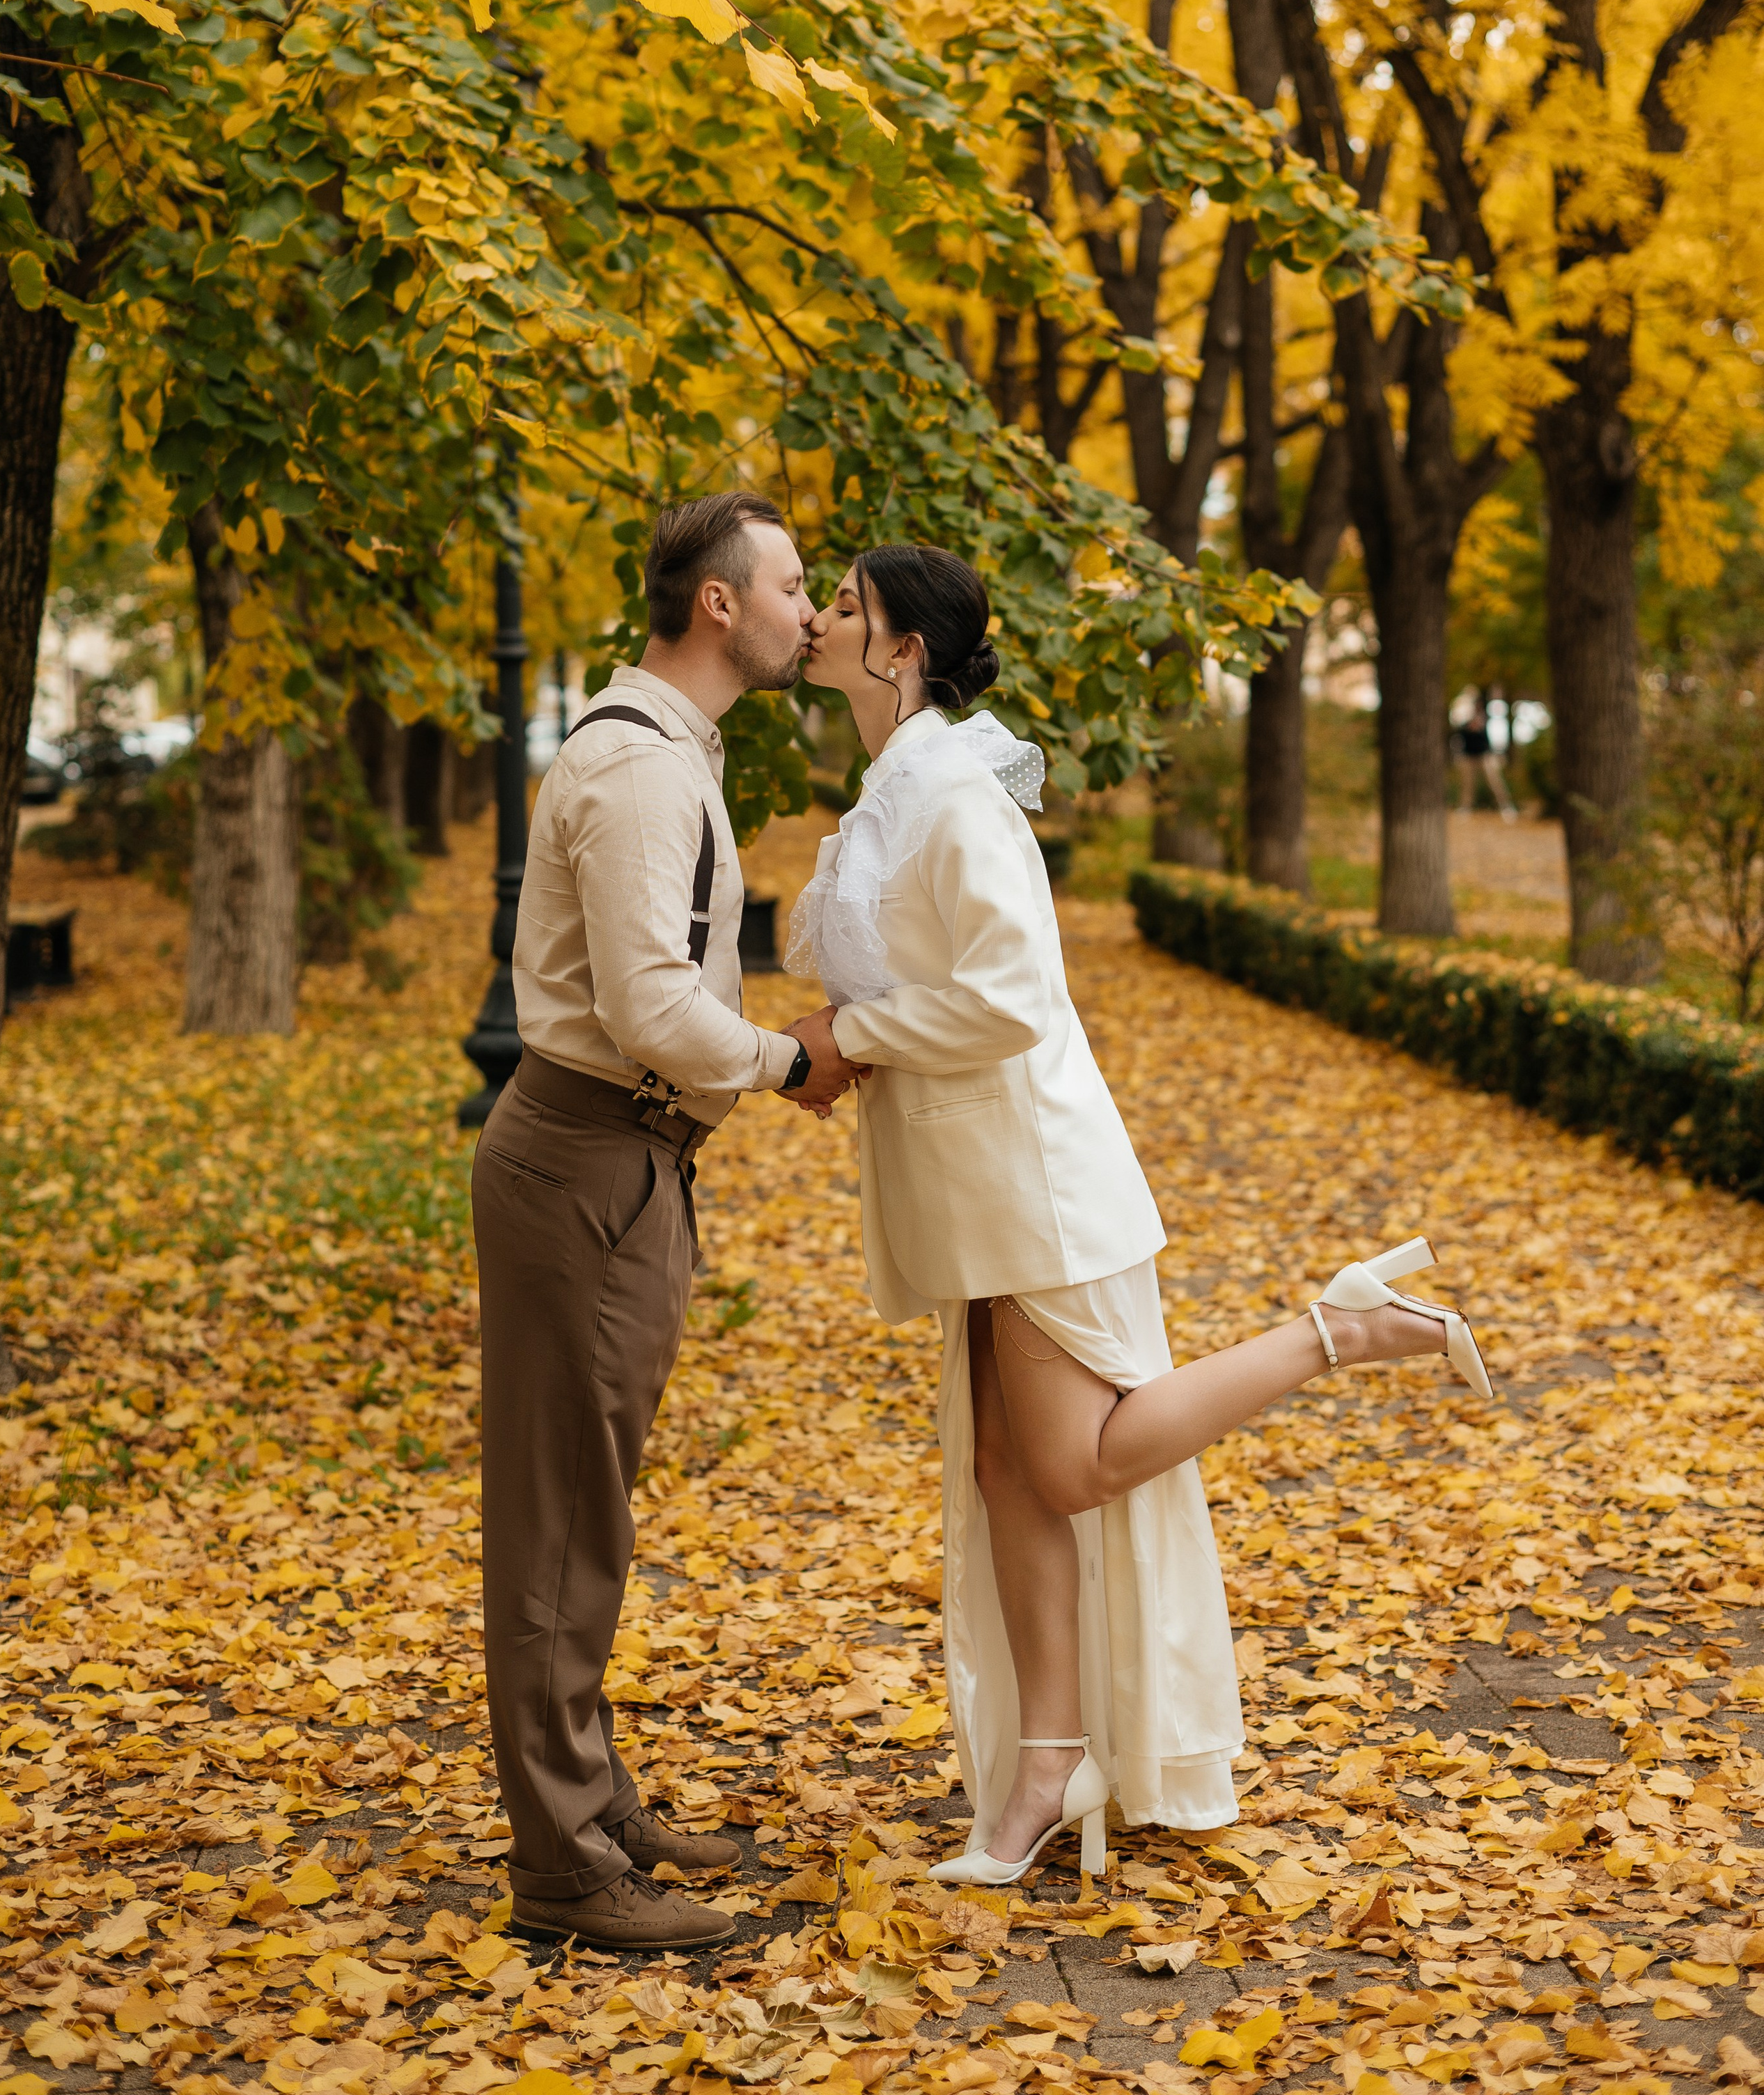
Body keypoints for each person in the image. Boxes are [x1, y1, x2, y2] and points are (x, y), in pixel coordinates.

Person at [783, 545, 1492, 1886]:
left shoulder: (953, 795)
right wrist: (849, 1044)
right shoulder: (898, 785)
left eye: (845, 606)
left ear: (902, 649)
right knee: (1010, 1482)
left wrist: (856, 1031)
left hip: (1034, 1182)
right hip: (973, 1197)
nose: (818, 619)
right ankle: (1049, 1762)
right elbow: (899, 973)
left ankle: (1337, 1329)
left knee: (1075, 1465)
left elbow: (1011, 996)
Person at [470, 494, 858, 1954]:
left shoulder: (666, 753)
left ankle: (590, 1799)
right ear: (717, 605)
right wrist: (785, 1062)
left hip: (623, 1162)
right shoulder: (639, 773)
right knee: (559, 1519)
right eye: (790, 584)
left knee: (587, 1508)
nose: (807, 609)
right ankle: (564, 1865)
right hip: (586, 1160)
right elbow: (645, 1006)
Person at [1456, 693, 1517, 820]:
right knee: (1468, 784)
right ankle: (1465, 808)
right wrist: (1469, 728)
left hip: (1485, 755)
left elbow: (1490, 736)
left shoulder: (1487, 718)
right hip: (1469, 755)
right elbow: (1460, 733)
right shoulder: (1466, 720)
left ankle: (1506, 807)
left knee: (1495, 782)